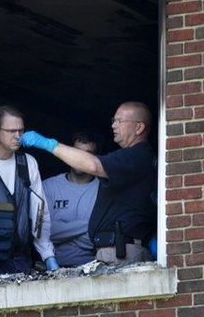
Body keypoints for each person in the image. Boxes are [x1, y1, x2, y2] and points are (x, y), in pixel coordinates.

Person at [20, 101, 156, 264]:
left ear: (139, 128)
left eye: (119, 121)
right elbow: (44, 230)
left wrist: (48, 144)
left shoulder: (137, 155)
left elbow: (93, 165)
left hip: (122, 252)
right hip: (113, 251)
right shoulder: (132, 157)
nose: (113, 125)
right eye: (113, 120)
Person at [0, 105, 58, 276]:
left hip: (20, 260)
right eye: (11, 131)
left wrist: (47, 255)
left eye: (21, 130)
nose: (18, 136)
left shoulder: (28, 163)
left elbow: (40, 212)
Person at [42, 132, 101, 267]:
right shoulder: (49, 186)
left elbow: (101, 236)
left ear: (95, 158)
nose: (80, 158)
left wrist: (63, 231)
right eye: (77, 152)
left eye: (87, 154)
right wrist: (89, 225)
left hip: (93, 268)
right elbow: (45, 233)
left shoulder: (103, 189)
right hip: (53, 270)